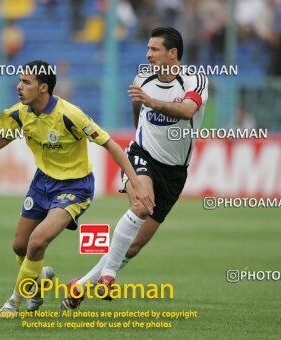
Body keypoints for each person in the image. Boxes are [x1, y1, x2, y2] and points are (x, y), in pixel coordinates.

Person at [0, 60, 153, 318]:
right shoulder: (20, 113)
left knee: (37, 241)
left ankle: (14, 303)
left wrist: (135, 182)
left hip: (75, 187)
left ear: (43, 88)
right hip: (42, 183)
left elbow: (110, 144)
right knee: (20, 246)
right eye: (20, 81)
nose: (19, 86)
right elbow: (3, 137)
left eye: (26, 82)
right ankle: (40, 277)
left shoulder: (70, 115)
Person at [61, 27, 208, 310]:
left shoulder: (194, 79)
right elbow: (136, 109)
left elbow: (189, 110)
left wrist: (151, 102)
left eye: (154, 49)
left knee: (134, 246)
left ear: (172, 53)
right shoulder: (143, 76)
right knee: (142, 204)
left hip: (175, 172)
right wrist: (141, 132)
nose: (148, 54)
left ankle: (79, 287)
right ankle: (108, 275)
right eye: (148, 49)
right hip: (141, 156)